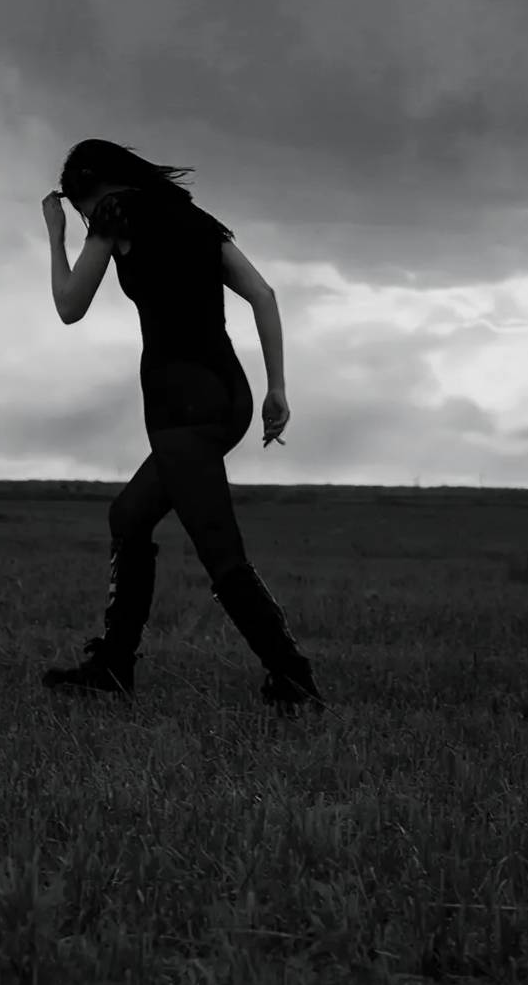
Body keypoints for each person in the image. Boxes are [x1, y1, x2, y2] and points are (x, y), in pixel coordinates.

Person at [39, 137, 325, 715]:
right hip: (229, 395)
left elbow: (69, 306)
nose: (87, 218)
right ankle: (113, 665)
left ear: (91, 191)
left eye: (81, 207)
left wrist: (56, 235)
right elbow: (263, 295)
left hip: (181, 404)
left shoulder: (115, 214)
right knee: (128, 516)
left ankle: (293, 677)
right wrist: (277, 388)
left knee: (219, 549)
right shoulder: (195, 218)